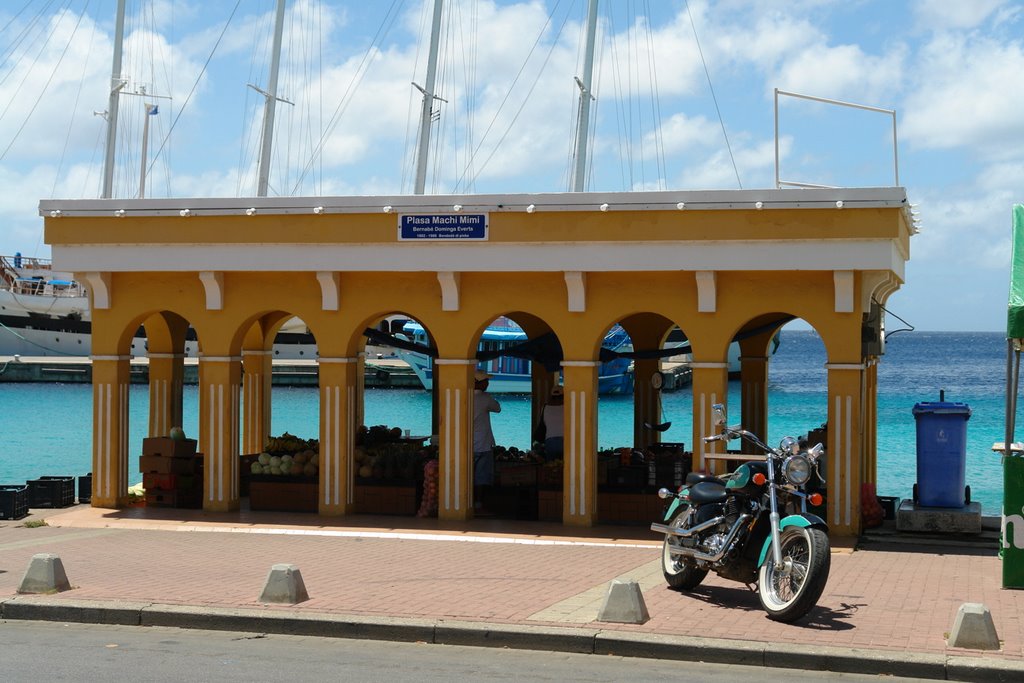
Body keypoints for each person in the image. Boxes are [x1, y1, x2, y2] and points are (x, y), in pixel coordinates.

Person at [472, 369, 501, 514]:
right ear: (479, 383)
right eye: (485, 381)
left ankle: (467, 502)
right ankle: (478, 504)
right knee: (481, 477)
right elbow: (497, 408)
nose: (488, 383)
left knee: (468, 475)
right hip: (483, 444)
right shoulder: (485, 398)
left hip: (467, 445)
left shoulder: (463, 396)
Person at [534, 385, 565, 459]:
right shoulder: (569, 407)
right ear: (564, 396)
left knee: (551, 466)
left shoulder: (545, 408)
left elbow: (542, 425)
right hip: (565, 441)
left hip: (550, 441)